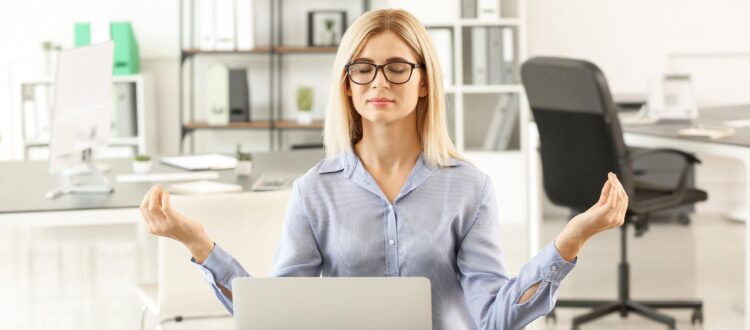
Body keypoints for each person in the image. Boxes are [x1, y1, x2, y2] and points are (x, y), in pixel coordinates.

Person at [140, 8, 627, 330]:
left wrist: (569, 243)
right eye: (363, 68)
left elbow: (495, 319)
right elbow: (277, 318)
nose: (379, 81)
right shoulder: (315, 192)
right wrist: (199, 245)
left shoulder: (468, 189)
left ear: (423, 81)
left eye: (397, 67)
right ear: (347, 84)